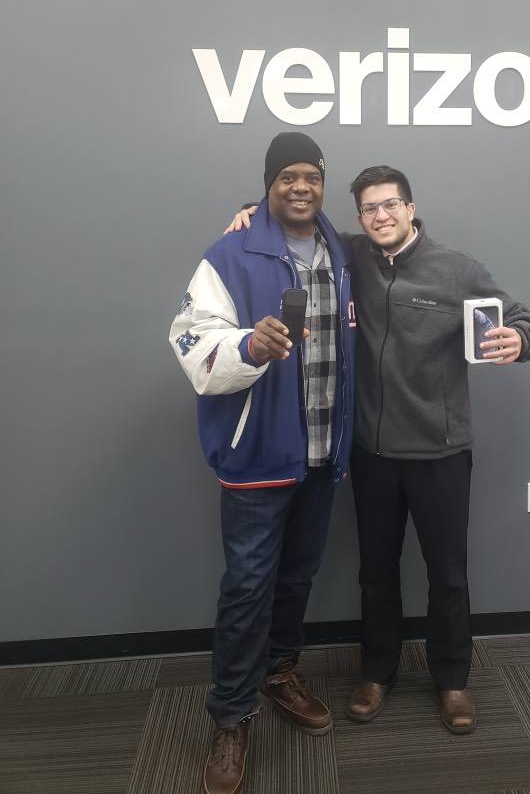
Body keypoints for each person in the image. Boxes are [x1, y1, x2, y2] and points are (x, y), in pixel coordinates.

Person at [228, 163, 530, 736]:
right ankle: (376, 673)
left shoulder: (457, 269)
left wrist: (520, 339)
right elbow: (298, 214)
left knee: (448, 575)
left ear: (410, 208)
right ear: (360, 217)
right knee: (376, 572)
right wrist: (255, 210)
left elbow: (521, 319)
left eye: (390, 204)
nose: (381, 216)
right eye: (369, 208)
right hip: (371, 453)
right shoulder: (350, 258)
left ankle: (452, 680)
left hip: (441, 452)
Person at [170, 132, 355, 794]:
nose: (301, 187)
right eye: (287, 177)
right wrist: (249, 346)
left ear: (323, 184)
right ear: (269, 185)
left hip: (321, 452)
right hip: (258, 458)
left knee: (297, 577)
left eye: (312, 176)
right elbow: (192, 342)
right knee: (248, 588)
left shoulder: (342, 253)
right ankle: (231, 715)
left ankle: (279, 672)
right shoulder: (230, 253)